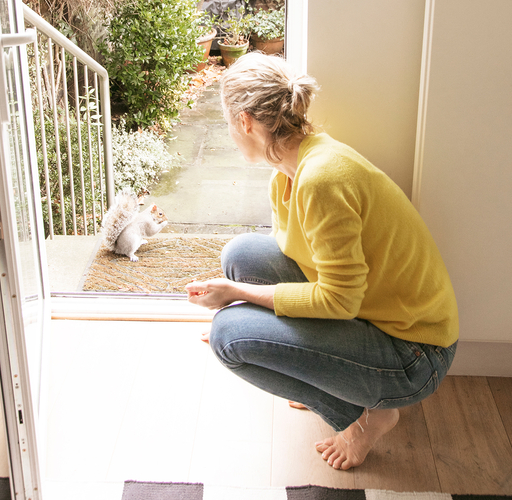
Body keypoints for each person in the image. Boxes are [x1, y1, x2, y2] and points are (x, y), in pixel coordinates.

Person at [186, 53, 458, 470]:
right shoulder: (289, 171)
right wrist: (265, 332)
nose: (229, 132)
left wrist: (240, 301)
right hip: (371, 315)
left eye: (227, 122)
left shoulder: (322, 180)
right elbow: (308, 265)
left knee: (229, 337)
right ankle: (329, 372)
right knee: (239, 255)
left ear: (244, 122)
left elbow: (340, 302)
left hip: (415, 355)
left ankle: (368, 417)